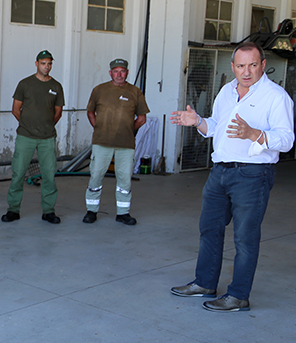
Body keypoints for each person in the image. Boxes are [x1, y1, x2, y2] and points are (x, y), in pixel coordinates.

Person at [170, 41, 294, 311]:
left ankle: (238, 295)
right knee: (209, 229)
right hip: (220, 171)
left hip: (252, 174)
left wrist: (255, 134)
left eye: (252, 65)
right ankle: (204, 283)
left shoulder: (276, 96)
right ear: (233, 67)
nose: (246, 71)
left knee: (245, 237)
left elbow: (286, 140)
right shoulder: (226, 91)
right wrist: (198, 122)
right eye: (240, 66)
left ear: (262, 65)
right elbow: (217, 126)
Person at [82, 58, 149, 225]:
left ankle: (123, 213)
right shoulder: (99, 90)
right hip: (101, 142)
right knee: (96, 176)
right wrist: (98, 128)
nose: (119, 74)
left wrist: (128, 130)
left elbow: (142, 119)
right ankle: (91, 211)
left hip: (126, 145)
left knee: (125, 179)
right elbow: (90, 112)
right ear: (110, 72)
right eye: (116, 71)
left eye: (123, 71)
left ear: (127, 73)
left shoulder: (135, 92)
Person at [1, 50, 65, 224]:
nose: (47, 66)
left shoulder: (57, 86)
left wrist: (46, 126)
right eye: (43, 63)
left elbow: (58, 112)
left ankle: (48, 211)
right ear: (36, 64)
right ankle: (13, 209)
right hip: (25, 137)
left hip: (47, 138)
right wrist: (28, 125)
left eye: (49, 63)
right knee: (18, 173)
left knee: (49, 175)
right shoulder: (25, 84)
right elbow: (16, 109)